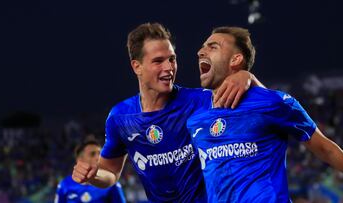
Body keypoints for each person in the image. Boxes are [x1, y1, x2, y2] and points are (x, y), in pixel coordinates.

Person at [71, 23, 264, 202]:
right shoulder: (121, 117)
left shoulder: (201, 101)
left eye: (172, 59)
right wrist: (94, 174)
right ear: (136, 66)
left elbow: (269, 108)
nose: (169, 67)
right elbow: (110, 172)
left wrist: (249, 78)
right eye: (158, 61)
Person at [187, 26, 343, 202]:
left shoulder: (271, 102)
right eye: (203, 47)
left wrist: (248, 76)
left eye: (213, 47)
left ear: (236, 59)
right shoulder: (195, 118)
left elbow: (326, 150)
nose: (200, 52)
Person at [55, 138, 126, 203]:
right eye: (92, 154)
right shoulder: (65, 185)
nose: (98, 157)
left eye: (100, 154)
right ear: (80, 160)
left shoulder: (111, 185)